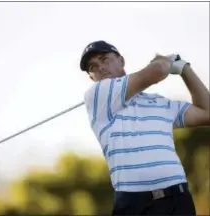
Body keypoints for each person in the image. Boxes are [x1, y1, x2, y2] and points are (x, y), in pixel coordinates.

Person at [79, 40, 210, 215]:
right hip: (134, 204)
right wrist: (162, 60)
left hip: (177, 199)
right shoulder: (97, 96)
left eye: (105, 59)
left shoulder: (158, 101)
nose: (101, 68)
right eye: (93, 67)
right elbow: (157, 71)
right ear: (91, 77)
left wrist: (185, 68)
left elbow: (206, 112)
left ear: (121, 61)